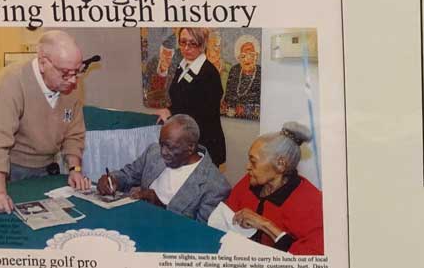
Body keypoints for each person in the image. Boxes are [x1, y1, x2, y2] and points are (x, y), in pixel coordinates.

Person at [0, 30, 91, 213]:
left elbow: (74, 134)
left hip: (44, 167)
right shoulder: (11, 82)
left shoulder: (71, 86)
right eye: (65, 73)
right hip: (6, 169)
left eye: (77, 72)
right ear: (43, 63)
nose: (73, 81)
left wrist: (75, 169)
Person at [96, 114, 229, 223]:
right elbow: (128, 174)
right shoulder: (153, 152)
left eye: (170, 147)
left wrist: (160, 207)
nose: (163, 152)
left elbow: (200, 233)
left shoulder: (215, 186)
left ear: (190, 147)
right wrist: (113, 179)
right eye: (161, 144)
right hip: (136, 221)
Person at [223, 122, 323, 255]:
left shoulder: (311, 202)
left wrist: (265, 225)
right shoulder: (250, 181)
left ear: (280, 164)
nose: (248, 167)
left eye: (253, 161)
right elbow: (226, 215)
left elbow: (312, 257)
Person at [157, 27, 227, 167]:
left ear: (202, 45)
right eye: (183, 42)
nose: (186, 48)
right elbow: (182, 100)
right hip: (185, 141)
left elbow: (202, 114)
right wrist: (169, 109)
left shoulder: (209, 73)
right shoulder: (182, 66)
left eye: (192, 43)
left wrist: (171, 116)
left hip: (204, 145)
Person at [222, 34, 262, 119]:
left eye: (251, 55)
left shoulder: (261, 73)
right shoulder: (234, 70)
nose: (247, 59)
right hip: (231, 119)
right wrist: (224, 105)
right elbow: (227, 98)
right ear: (239, 58)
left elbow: (265, 105)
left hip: (252, 122)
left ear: (256, 56)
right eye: (243, 55)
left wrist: (246, 110)